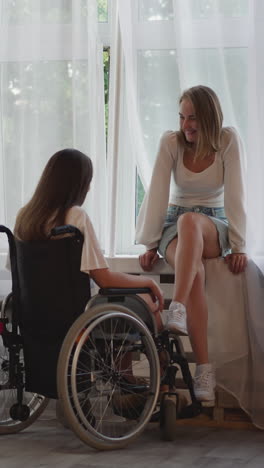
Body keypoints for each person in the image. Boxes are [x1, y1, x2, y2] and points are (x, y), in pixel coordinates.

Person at [135, 85, 248, 404]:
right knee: (193, 268)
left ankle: (177, 307)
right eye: (182, 117)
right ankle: (204, 370)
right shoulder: (171, 142)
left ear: (209, 118)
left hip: (214, 224)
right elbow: (157, 190)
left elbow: (236, 194)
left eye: (193, 118)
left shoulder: (227, 140)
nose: (186, 125)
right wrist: (151, 242)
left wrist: (238, 245)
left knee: (191, 224)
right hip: (175, 224)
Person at [14, 148, 164, 330]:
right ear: (78, 184)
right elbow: (104, 279)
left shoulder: (25, 217)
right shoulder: (74, 216)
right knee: (145, 300)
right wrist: (147, 282)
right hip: (75, 316)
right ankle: (161, 357)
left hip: (34, 316)